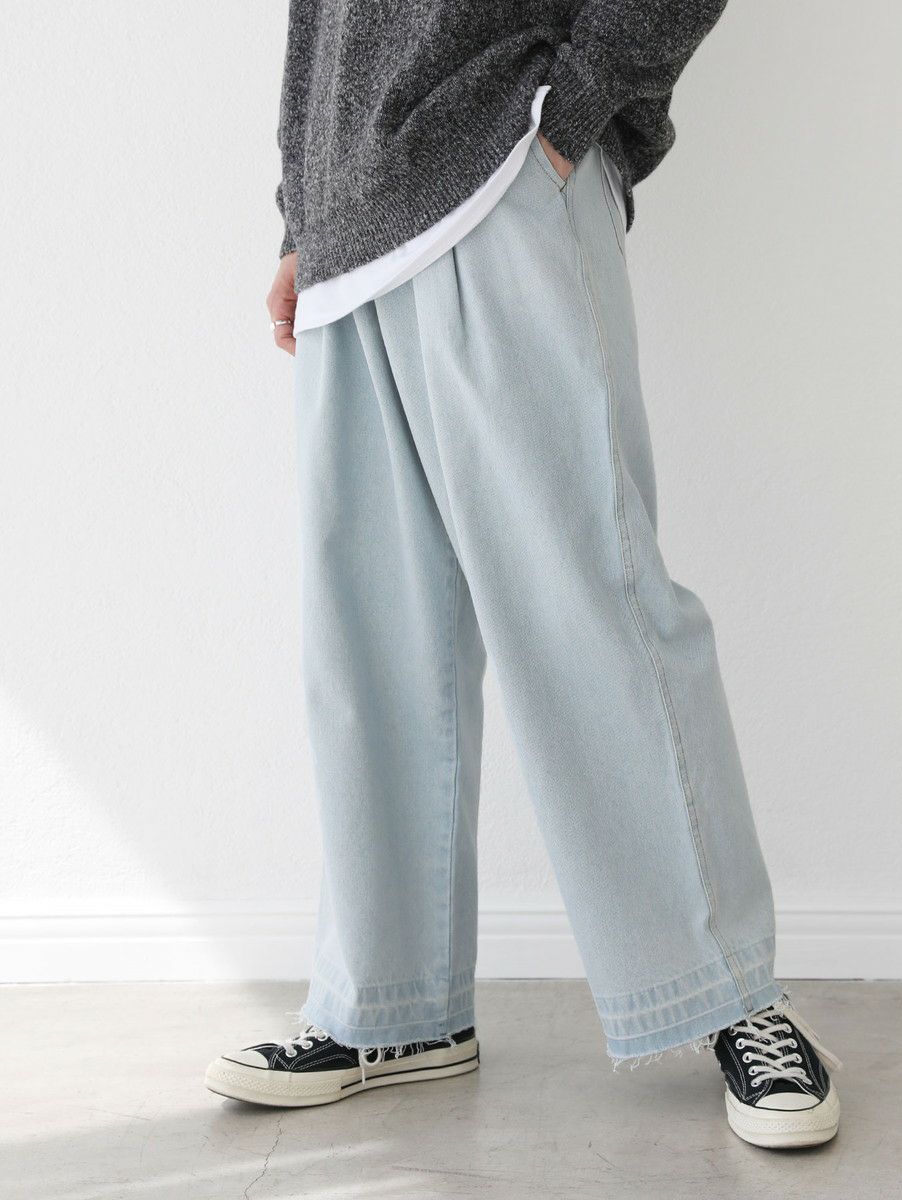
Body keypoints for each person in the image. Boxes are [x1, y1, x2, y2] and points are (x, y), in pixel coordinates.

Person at [204, 0, 842, 1149]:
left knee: (592, 601)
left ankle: (734, 995)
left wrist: (575, 106)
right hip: (352, 226)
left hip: (497, 162)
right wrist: (304, 214)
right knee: (370, 644)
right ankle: (391, 1010)